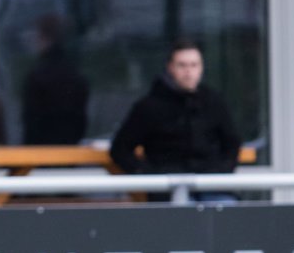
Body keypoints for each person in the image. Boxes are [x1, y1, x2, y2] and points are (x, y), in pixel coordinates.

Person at [110, 39, 241, 200]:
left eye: (194, 65)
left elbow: (232, 143)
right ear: (170, 67)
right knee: (185, 217)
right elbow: (120, 149)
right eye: (182, 65)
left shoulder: (214, 102)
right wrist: (151, 176)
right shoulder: (149, 107)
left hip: (211, 187)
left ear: (201, 68)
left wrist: (221, 173)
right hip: (168, 190)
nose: (188, 72)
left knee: (226, 213)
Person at [21, 13, 89, 145]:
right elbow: (81, 120)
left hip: (42, 152)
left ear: (44, 37)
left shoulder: (39, 75)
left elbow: (32, 122)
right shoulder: (74, 73)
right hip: (69, 150)